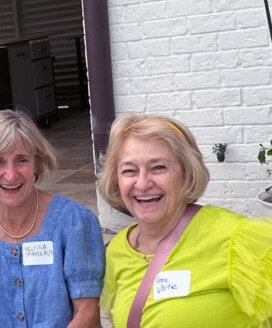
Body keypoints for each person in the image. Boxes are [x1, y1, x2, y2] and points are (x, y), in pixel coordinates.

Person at [97, 114, 272, 327]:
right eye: (129, 171)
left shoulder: (238, 240)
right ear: (116, 179)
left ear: (186, 173)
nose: (142, 183)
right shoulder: (117, 250)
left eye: (158, 167)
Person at [0, 109, 105, 327]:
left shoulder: (73, 223)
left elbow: (87, 312)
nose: (11, 175)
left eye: (21, 160)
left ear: (36, 163)